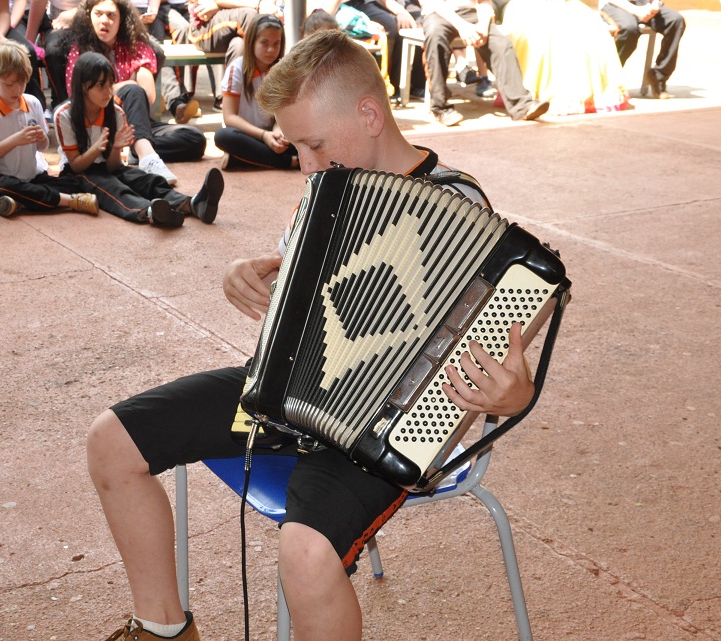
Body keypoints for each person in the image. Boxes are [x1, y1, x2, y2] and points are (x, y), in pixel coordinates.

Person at [85, 29, 536, 641]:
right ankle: (164, 629)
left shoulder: (457, 208)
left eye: (314, 143)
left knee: (305, 553)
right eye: (296, 144)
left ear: (370, 114)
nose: (303, 163)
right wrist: (239, 275)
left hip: (385, 432)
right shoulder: (324, 195)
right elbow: (290, 286)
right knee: (112, 442)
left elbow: (506, 358)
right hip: (285, 401)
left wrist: (512, 396)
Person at [55, 51, 223, 227]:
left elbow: (113, 166)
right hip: (79, 174)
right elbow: (75, 165)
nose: (108, 92)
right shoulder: (65, 115)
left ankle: (193, 203)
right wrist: (97, 148)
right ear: (83, 86)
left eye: (110, 84)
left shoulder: (116, 113)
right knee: (112, 186)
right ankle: (150, 212)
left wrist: (115, 149)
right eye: (100, 85)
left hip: (106, 168)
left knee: (146, 180)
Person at [61, 0, 207, 185]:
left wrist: (109, 87)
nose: (104, 21)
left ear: (122, 19)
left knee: (195, 139)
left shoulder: (135, 46)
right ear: (89, 17)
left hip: (137, 122)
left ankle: (137, 148)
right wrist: (127, 84)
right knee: (131, 88)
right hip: (102, 127)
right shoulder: (80, 51)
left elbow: (148, 94)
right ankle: (147, 157)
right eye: (98, 14)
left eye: (111, 15)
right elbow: (77, 95)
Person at [0, 40, 100, 217]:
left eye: (22, 83)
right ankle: (71, 201)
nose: (17, 90)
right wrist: (16, 140)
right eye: (9, 84)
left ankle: (21, 201)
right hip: (6, 177)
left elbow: (42, 147)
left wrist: (42, 138)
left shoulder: (32, 102)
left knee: (73, 182)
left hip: (33, 175)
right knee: (4, 186)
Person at [420, 0, 549, 125]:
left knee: (501, 43)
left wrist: (483, 25)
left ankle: (522, 105)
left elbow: (485, 2)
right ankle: (441, 108)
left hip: (471, 13)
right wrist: (462, 26)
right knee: (435, 38)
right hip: (438, 14)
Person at [501, 0, 629, 114]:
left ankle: (578, 96)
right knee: (548, 30)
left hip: (566, 4)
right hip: (528, 6)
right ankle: (538, 95)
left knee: (588, 27)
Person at [215, 14, 297, 170]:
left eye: (276, 43)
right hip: (248, 135)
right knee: (223, 136)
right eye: (264, 43)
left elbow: (282, 112)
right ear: (252, 42)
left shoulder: (281, 70)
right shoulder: (237, 69)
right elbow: (229, 117)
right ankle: (291, 162)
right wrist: (263, 136)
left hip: (273, 133)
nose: (271, 49)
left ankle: (242, 159)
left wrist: (278, 132)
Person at [599, 0, 684, 99]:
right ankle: (607, 78)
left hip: (645, 5)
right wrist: (635, 10)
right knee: (628, 29)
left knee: (676, 20)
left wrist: (655, 5)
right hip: (615, 5)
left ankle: (658, 76)